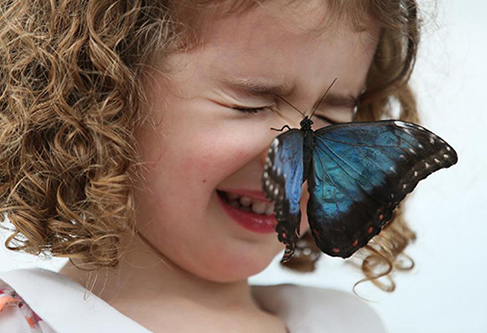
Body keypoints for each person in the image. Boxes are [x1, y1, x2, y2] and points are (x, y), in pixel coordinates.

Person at [0, 0, 421, 331]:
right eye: (250, 104)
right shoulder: (25, 320)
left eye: (333, 116)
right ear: (103, 96)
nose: (297, 155)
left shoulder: (347, 323)